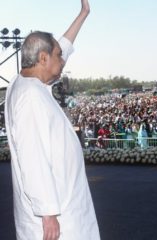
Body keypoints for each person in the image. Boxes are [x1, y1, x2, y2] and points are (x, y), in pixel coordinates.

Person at [4, 1, 100, 239]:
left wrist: (83, 15)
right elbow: (32, 156)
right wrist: (48, 212)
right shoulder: (30, 97)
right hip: (58, 216)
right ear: (43, 58)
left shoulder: (27, 82)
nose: (63, 61)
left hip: (62, 204)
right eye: (58, 56)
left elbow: (62, 48)